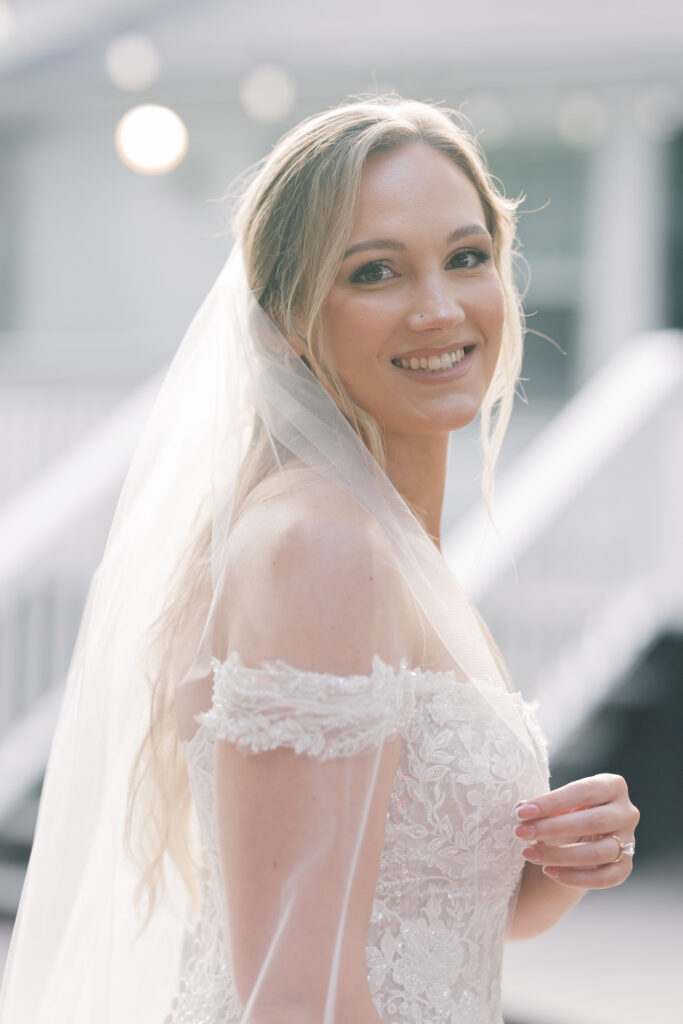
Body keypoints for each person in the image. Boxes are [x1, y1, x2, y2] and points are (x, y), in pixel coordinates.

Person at [0, 95, 639, 1024]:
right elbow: (294, 993)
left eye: (466, 258)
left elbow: (421, 920)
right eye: (375, 272)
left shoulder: (390, 546)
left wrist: (567, 863)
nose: (437, 307)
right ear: (284, 323)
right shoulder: (320, 549)